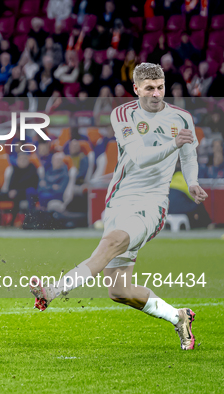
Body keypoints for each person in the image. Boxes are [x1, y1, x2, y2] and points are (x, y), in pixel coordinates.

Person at [29, 63, 208, 351]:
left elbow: (189, 155)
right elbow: (139, 157)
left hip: (152, 203)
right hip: (119, 200)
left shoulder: (182, 117)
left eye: (160, 87)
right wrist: (173, 143)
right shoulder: (123, 114)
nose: (156, 93)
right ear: (136, 89)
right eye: (149, 88)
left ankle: (51, 291)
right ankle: (179, 316)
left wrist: (193, 181)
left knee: (112, 242)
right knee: (119, 290)